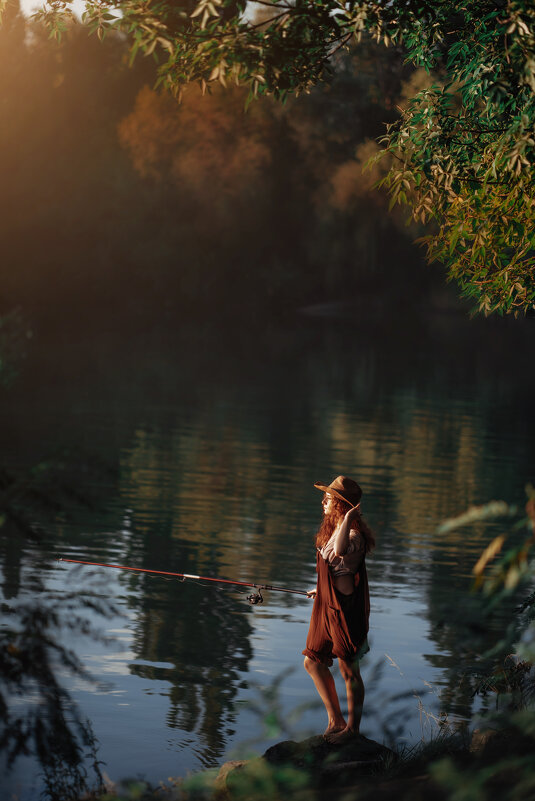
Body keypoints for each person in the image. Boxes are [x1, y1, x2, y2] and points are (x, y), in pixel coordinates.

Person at [303, 475, 374, 742]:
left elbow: (342, 551)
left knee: (348, 670)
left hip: (344, 610)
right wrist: (319, 589)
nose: (324, 502)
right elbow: (335, 568)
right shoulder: (333, 531)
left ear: (343, 506)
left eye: (330, 499)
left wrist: (347, 520)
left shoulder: (353, 535)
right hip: (326, 604)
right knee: (312, 662)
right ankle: (335, 722)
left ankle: (352, 731)